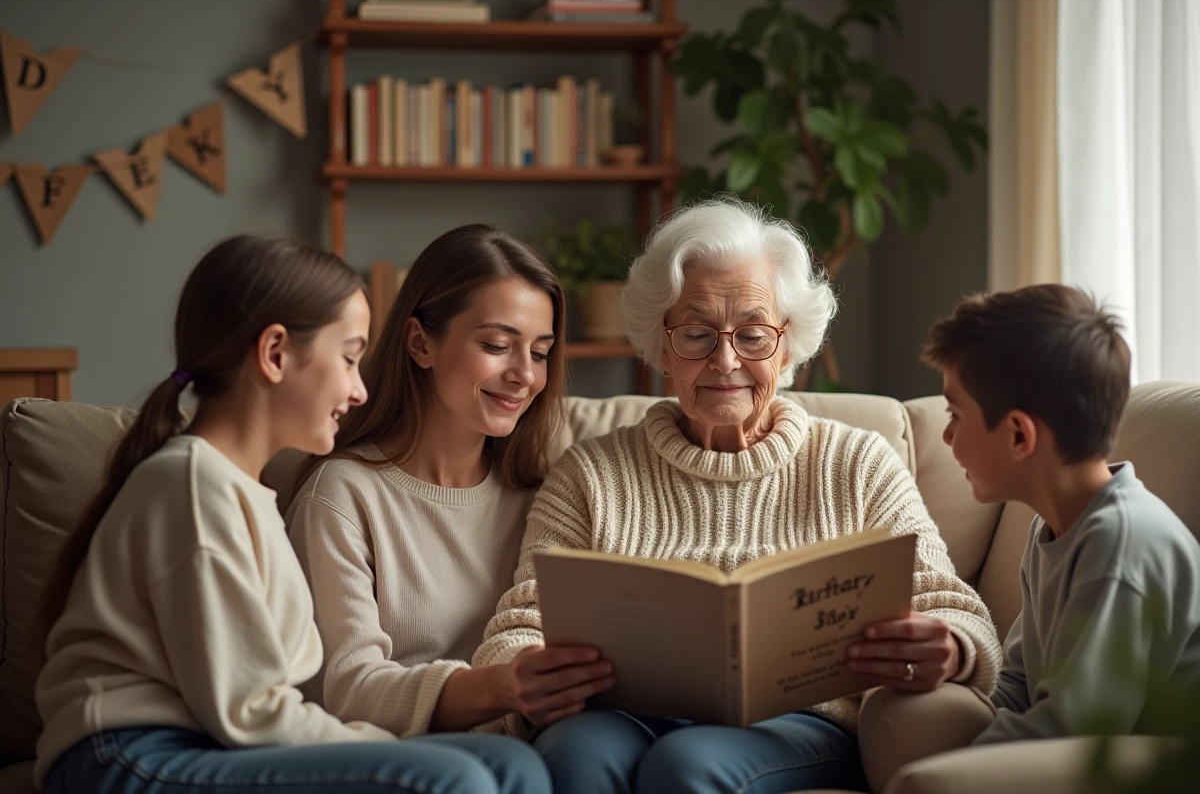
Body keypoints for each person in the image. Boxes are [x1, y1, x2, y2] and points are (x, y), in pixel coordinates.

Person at [473, 198, 1003, 794]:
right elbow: (522, 620)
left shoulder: (856, 464)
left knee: (686, 765)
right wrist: (522, 670)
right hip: (619, 715)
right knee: (575, 754)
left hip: (798, 723)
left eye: (752, 335)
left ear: (787, 343)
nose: (726, 361)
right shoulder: (591, 472)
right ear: (663, 347)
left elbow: (953, 608)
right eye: (697, 334)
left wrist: (951, 648)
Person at [33, 235, 549, 794]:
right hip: (123, 753)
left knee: (510, 768)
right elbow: (250, 710)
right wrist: (387, 749)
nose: (357, 390)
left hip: (200, 743)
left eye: (541, 351)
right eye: (350, 358)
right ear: (276, 354)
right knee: (458, 779)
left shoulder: (240, 491)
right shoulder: (193, 488)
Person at [288, 224, 613, 741]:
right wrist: (499, 687)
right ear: (420, 343)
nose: (524, 375)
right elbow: (348, 689)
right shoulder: (343, 495)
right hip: (405, 760)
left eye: (540, 351)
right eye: (497, 345)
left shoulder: (549, 495)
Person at [921, 284, 1200, 745]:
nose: (947, 437)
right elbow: (1017, 686)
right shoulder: (1050, 528)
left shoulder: (1119, 545)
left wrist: (941, 769)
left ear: (1018, 436)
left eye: (955, 415)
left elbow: (1070, 735)